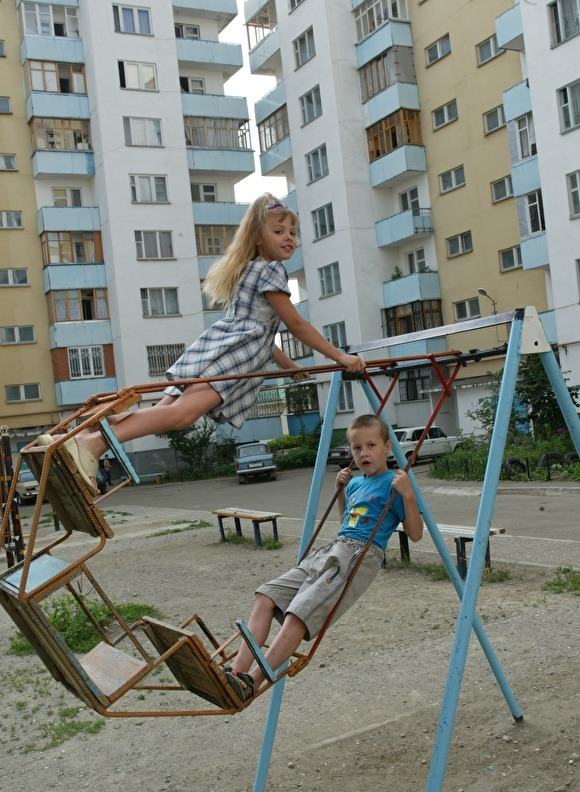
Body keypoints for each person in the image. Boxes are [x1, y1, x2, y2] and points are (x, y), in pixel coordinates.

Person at [37, 194, 365, 492]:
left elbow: (261, 330)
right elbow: (295, 324)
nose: (289, 238)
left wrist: (288, 365)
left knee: (164, 411)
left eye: (292, 232)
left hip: (218, 346)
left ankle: (77, 437)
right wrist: (340, 357)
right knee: (181, 416)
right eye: (279, 231)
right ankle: (91, 446)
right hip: (235, 355)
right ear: (257, 236)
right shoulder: (272, 270)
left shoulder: (249, 268)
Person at [224, 413, 423, 702]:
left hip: (359, 555)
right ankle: (236, 670)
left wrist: (409, 496)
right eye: (357, 448)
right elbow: (347, 522)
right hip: (334, 548)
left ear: (387, 447)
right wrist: (340, 493)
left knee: (300, 612)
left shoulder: (395, 484)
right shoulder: (355, 483)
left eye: (371, 446)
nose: (364, 454)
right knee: (266, 595)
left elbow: (415, 534)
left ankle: (252, 682)